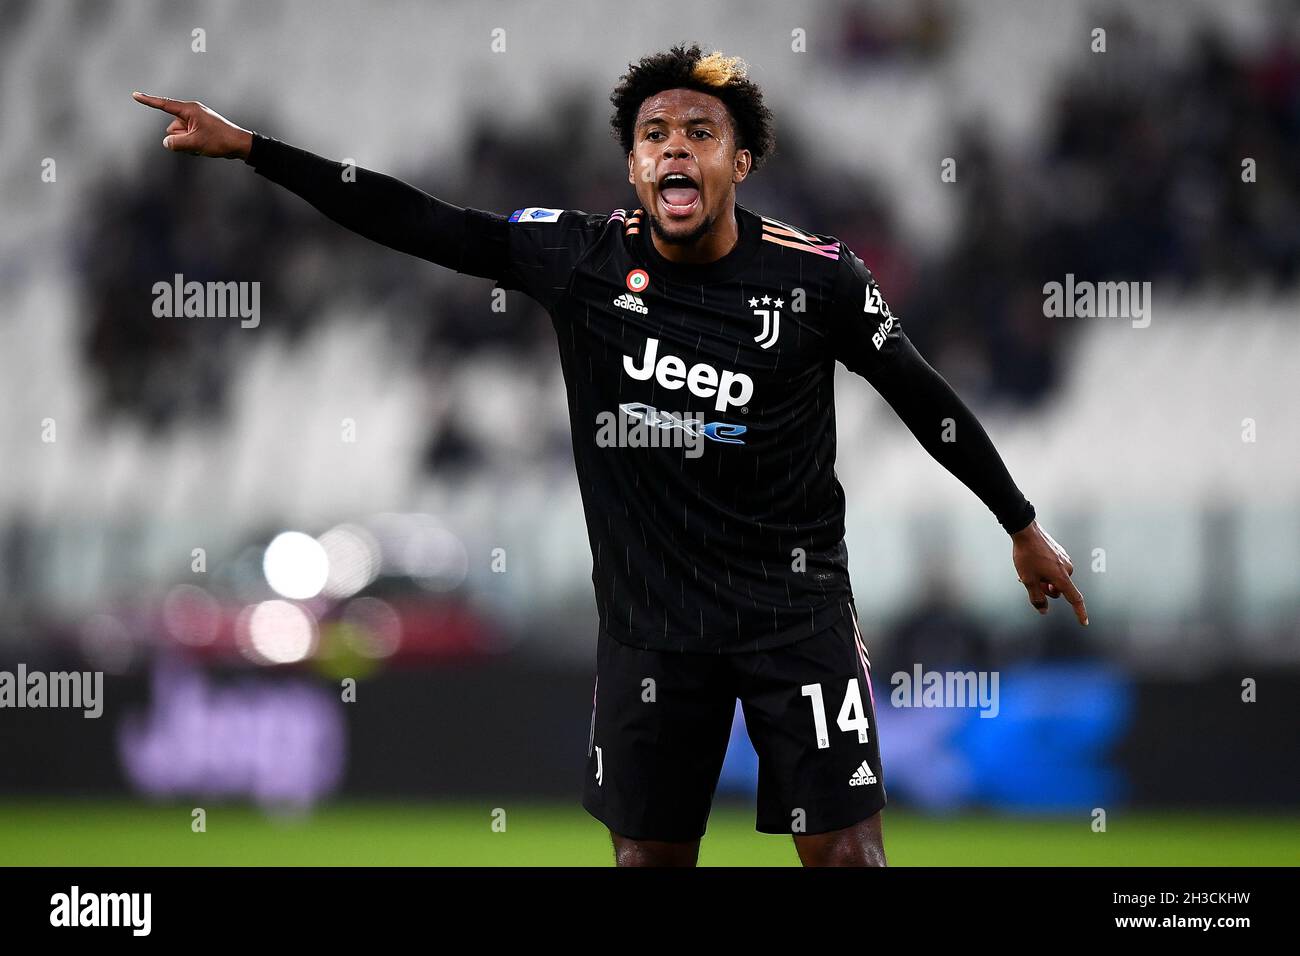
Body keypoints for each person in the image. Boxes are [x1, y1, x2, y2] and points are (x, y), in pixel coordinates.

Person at [133, 42, 1087, 867]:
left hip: (794, 614)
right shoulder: (580, 260)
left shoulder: (816, 276)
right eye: (654, 134)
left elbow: (924, 396)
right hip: (650, 626)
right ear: (633, 167)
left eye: (700, 132)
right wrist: (254, 150)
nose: (675, 144)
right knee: (650, 857)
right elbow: (420, 221)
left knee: (846, 851)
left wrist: (1021, 521)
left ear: (739, 161)